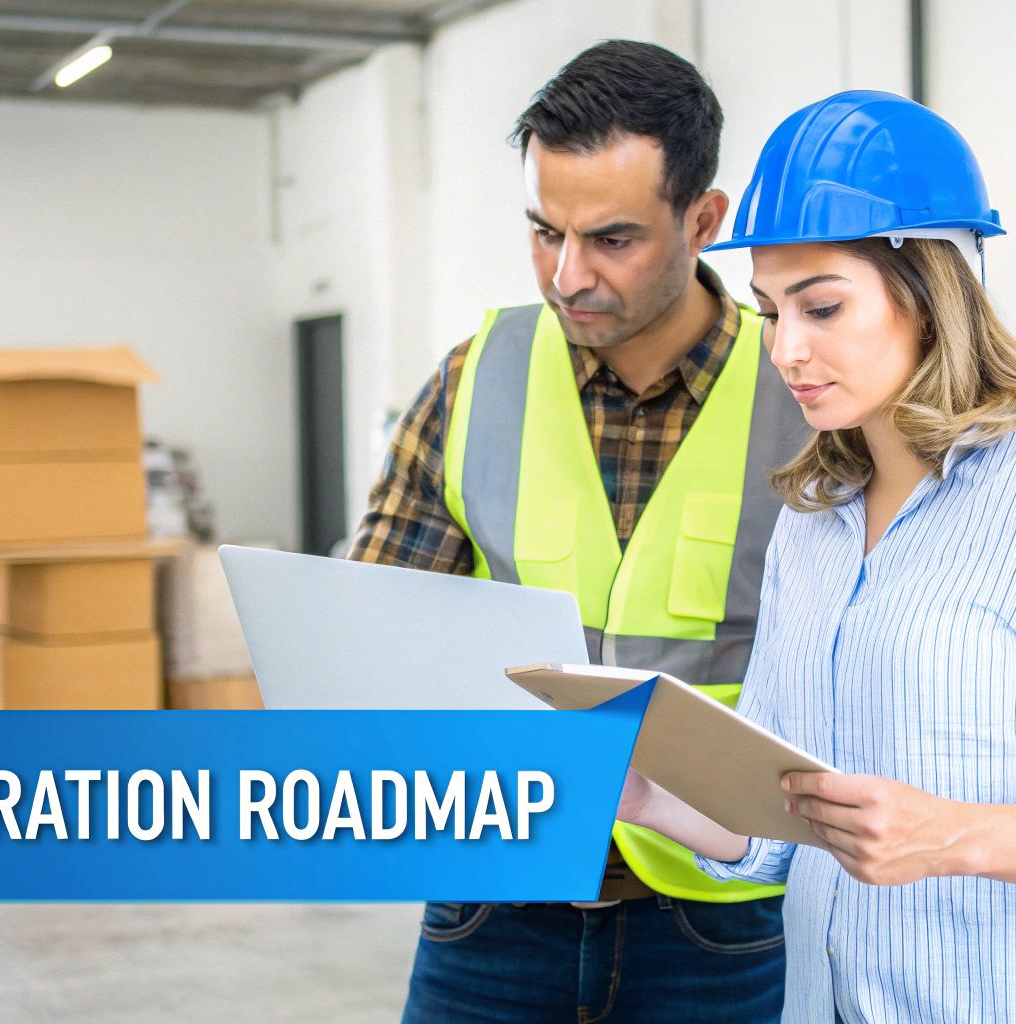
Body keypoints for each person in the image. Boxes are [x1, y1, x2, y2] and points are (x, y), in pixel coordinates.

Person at [617, 90, 1016, 1021]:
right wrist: (645, 794)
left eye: (822, 307)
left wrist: (956, 836)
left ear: (928, 294)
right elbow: (780, 832)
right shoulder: (811, 522)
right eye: (770, 313)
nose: (787, 350)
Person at [348, 40, 807, 1023]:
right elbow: (377, 626)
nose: (568, 274)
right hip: (491, 908)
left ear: (703, 221)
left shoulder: (805, 394)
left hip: (720, 922)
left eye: (611, 239)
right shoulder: (475, 377)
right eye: (542, 230)